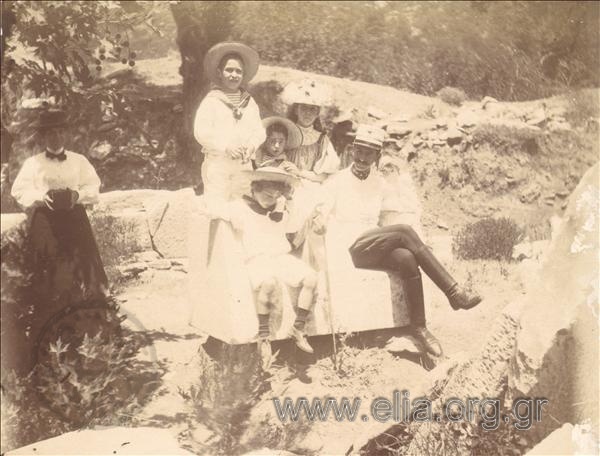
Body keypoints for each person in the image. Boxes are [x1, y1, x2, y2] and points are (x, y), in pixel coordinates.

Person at [313, 124, 482, 357]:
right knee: (403, 231)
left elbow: (397, 212)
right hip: (349, 247)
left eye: (369, 153)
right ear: (352, 151)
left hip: (373, 245)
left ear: (377, 156)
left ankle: (419, 328)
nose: (362, 157)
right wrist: (319, 219)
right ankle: (453, 292)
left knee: (407, 258)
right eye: (359, 151)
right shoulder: (337, 181)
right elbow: (321, 208)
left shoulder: (380, 183)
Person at [10, 108, 108, 368]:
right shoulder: (33, 164)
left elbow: (93, 187)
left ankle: (84, 341)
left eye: (59, 131)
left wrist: (76, 196)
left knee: (82, 277)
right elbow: (19, 191)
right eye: (49, 133)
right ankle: (49, 345)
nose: (55, 136)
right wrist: (42, 198)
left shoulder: (79, 161)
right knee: (49, 280)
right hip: (45, 226)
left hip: (75, 224)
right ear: (42, 137)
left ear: (66, 133)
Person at [199, 167, 318, 368]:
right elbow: (209, 207)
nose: (270, 198)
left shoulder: (281, 209)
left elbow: (295, 225)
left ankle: (298, 329)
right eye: (265, 193)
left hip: (280, 257)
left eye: (275, 195)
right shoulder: (238, 207)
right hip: (256, 259)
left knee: (311, 278)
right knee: (268, 283)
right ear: (254, 189)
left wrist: (289, 201)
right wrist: (226, 215)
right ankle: (264, 336)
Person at [193, 42, 265, 201]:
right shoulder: (212, 101)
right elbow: (201, 131)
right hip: (218, 163)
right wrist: (226, 146)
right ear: (219, 72)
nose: (234, 75)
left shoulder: (249, 102)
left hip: (243, 164)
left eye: (238, 71)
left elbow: (259, 130)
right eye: (229, 70)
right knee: (218, 207)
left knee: (241, 207)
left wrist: (252, 145)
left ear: (243, 74)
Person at [281, 79, 340, 183]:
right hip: (283, 181)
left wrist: (299, 172)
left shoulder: (321, 140)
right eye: (304, 107)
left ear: (317, 112)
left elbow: (324, 176)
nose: (308, 113)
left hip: (309, 185)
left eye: (312, 109)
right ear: (296, 110)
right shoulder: (284, 133)